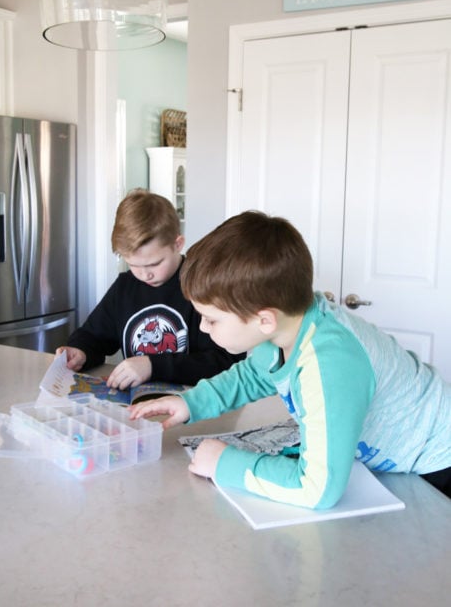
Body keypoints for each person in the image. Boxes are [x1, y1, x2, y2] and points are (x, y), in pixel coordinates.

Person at [130, 210, 451, 508]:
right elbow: (252, 376)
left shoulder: (328, 363)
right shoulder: (286, 325)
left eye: (212, 319)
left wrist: (224, 463)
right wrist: (190, 404)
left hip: (437, 465)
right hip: (398, 459)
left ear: (264, 319)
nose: (202, 327)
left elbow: (319, 488)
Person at [56, 189, 244, 390]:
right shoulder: (125, 287)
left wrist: (153, 366)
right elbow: (94, 336)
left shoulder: (204, 286)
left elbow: (225, 362)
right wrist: (80, 351)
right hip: (139, 406)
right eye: (133, 265)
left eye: (154, 264)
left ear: (177, 244)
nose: (145, 275)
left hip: (198, 405)